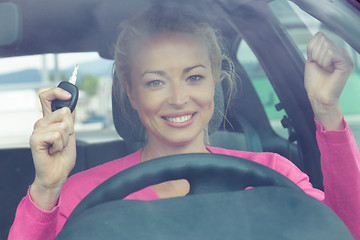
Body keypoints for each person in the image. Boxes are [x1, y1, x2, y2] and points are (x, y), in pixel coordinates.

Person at [9, 6, 360, 239]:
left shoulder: (276, 175)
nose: (178, 98)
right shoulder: (78, 194)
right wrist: (47, 188)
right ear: (131, 94)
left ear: (215, 82)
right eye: (155, 82)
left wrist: (326, 108)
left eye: (193, 77)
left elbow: (346, 229)